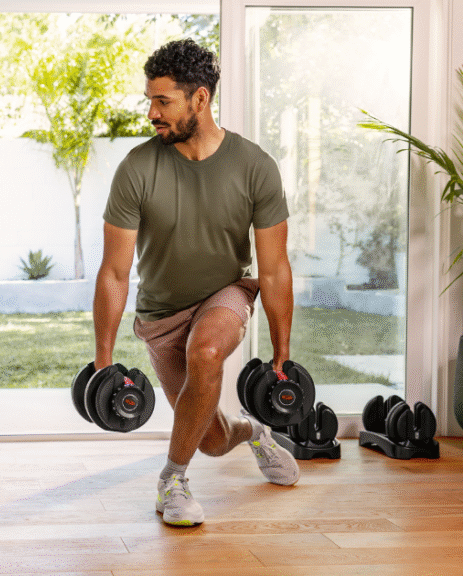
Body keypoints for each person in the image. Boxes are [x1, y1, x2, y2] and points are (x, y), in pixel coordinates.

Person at [92, 38, 298, 527]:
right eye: (149, 100)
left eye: (162, 101)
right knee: (209, 436)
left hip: (224, 294)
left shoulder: (255, 167)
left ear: (199, 99)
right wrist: (102, 360)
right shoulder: (137, 169)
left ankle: (172, 479)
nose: (151, 113)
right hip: (161, 315)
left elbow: (273, 269)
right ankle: (254, 433)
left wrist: (282, 352)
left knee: (205, 352)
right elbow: (115, 272)